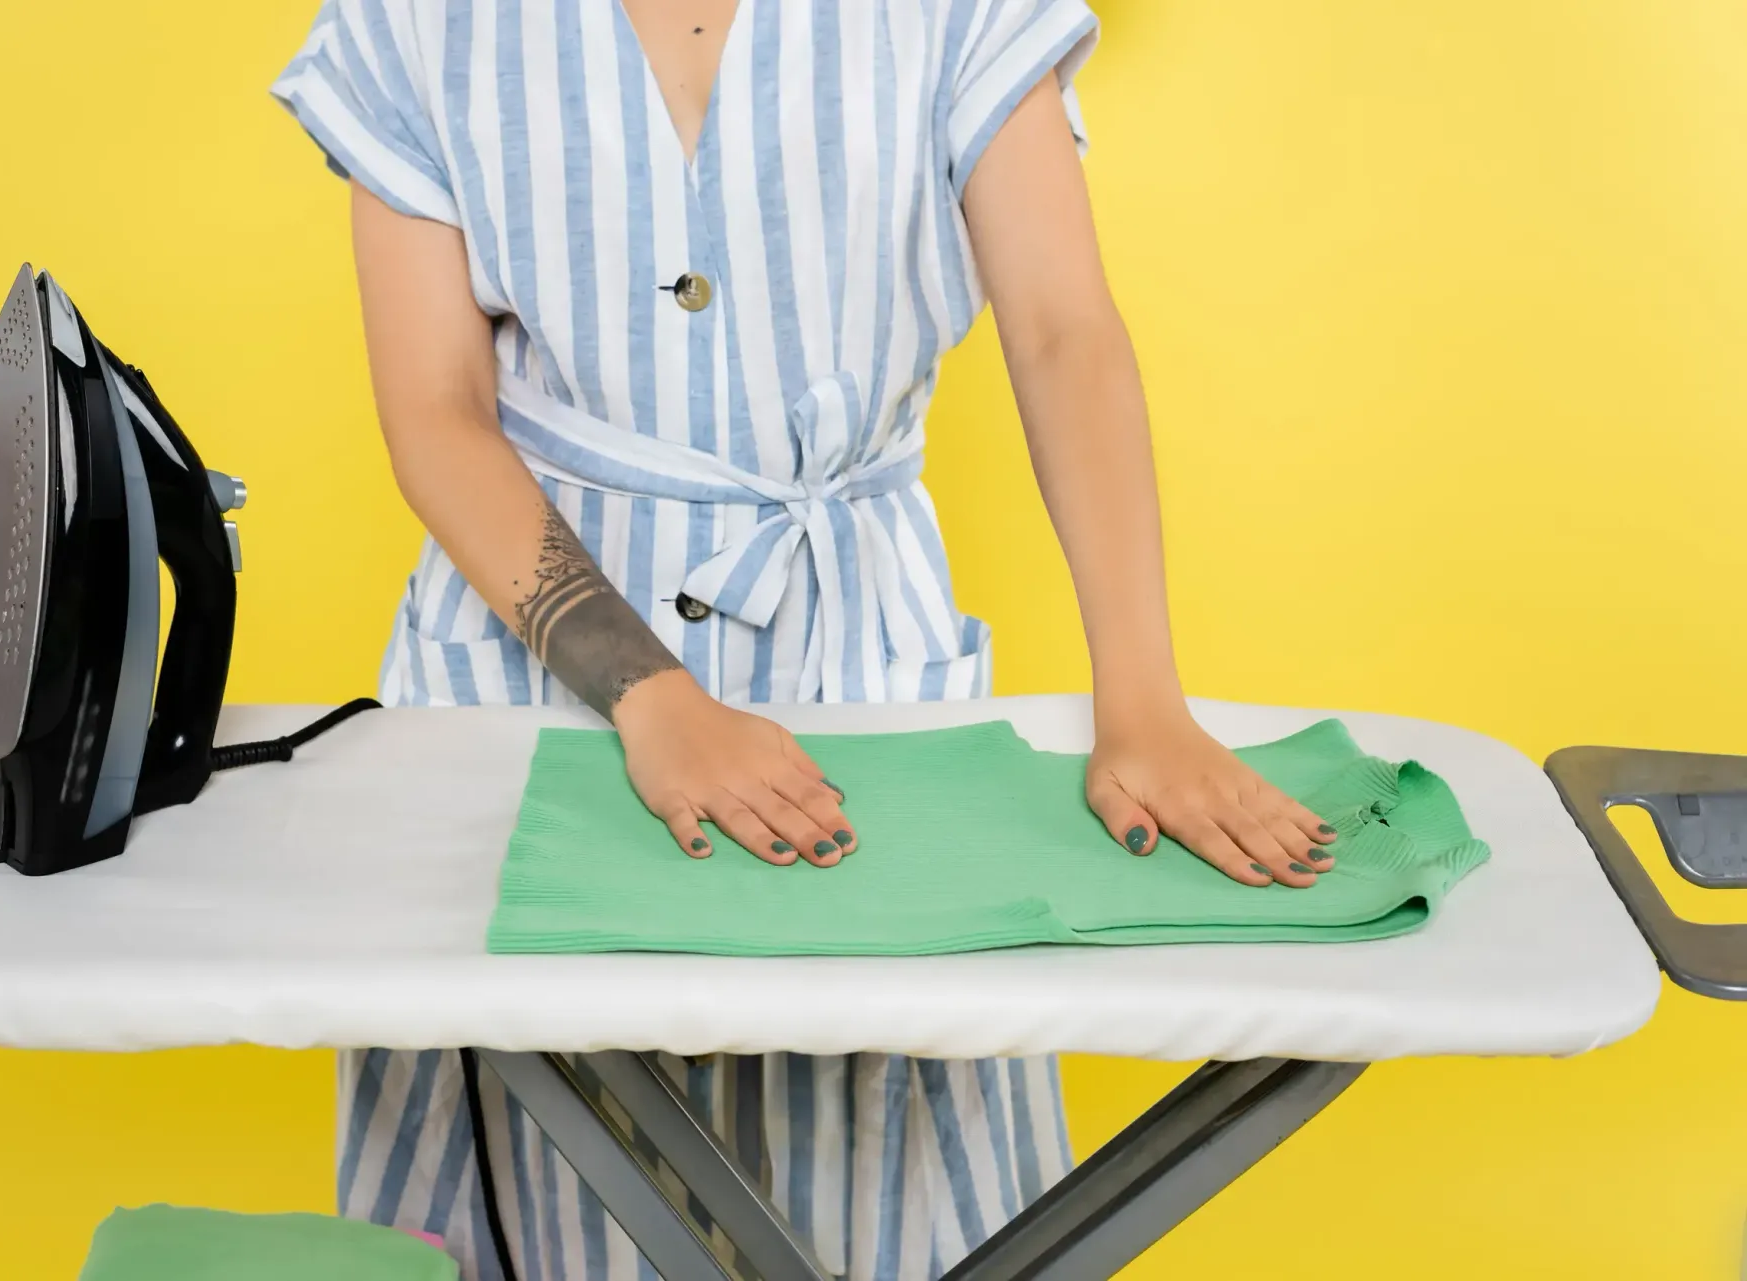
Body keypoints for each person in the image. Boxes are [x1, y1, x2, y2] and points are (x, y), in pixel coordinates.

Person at [271, 1, 1339, 1277]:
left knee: (892, 1171)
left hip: (859, 660)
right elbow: (438, 413)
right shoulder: (417, 22)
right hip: (529, 677)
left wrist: (1146, 705)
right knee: (561, 1157)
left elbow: (1065, 333)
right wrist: (650, 696)